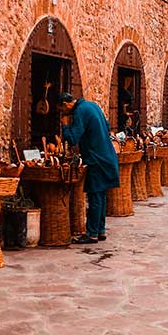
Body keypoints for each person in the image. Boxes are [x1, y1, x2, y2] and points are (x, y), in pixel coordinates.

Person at [60, 93, 119, 243]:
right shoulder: (92, 105)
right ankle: (100, 230)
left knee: (95, 196)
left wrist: (65, 125)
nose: (63, 113)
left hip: (96, 158)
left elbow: (73, 138)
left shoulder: (80, 111)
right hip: (107, 155)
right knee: (101, 196)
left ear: (66, 104)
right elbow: (106, 126)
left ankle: (92, 233)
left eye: (62, 110)